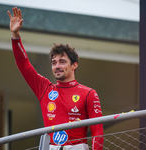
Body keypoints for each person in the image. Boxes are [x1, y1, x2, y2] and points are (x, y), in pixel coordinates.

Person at [8, 7, 104, 150]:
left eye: (62, 61)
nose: (57, 66)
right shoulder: (45, 89)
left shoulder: (89, 93)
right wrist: (15, 36)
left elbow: (98, 132)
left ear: (74, 65)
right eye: (54, 63)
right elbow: (24, 65)